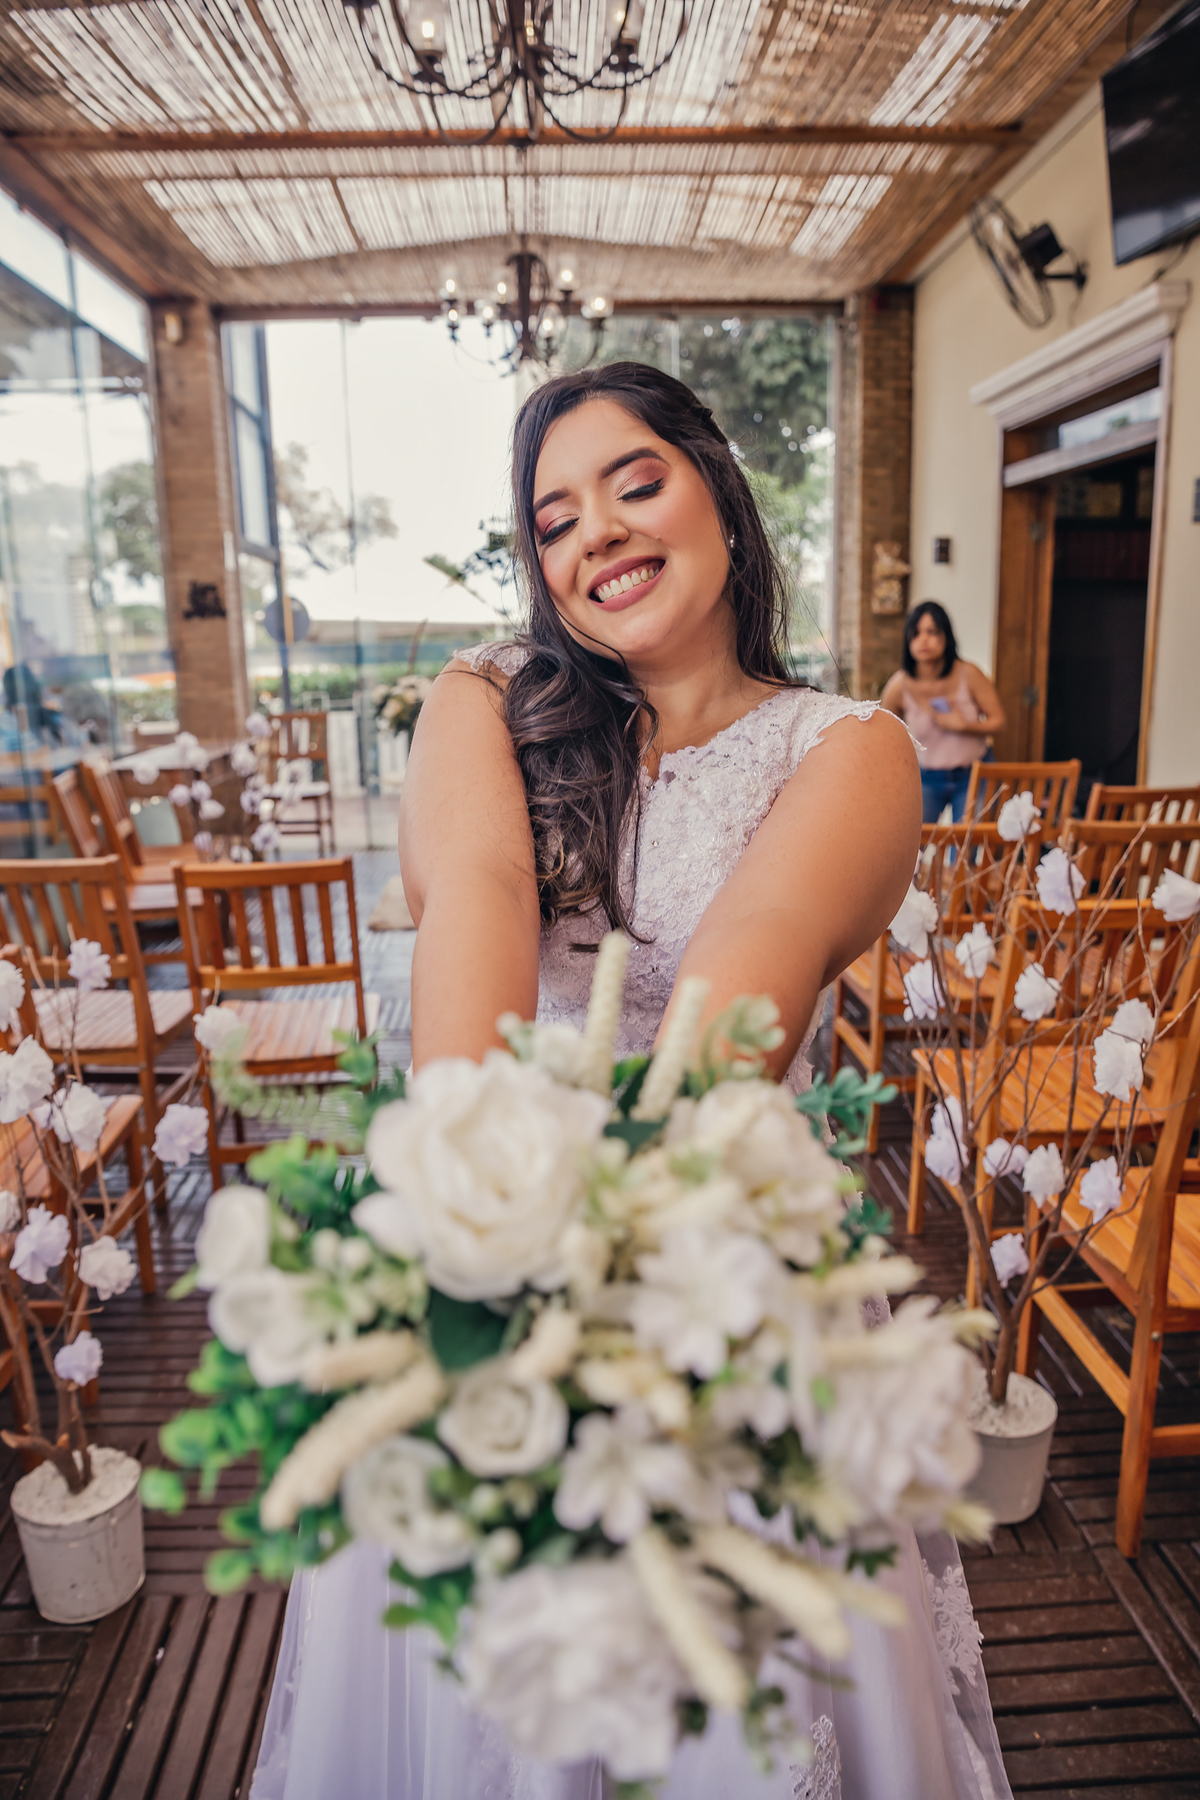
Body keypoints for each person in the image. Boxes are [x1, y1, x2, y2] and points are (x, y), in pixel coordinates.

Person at [252, 366, 1011, 1800]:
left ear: (721, 489)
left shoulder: (847, 749)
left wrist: (613, 1300)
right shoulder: (487, 701)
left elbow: (744, 982)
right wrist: (478, 1271)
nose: (594, 530)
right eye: (552, 518)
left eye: (634, 482)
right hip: (479, 1260)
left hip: (721, 1279)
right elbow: (476, 904)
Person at [881, 603, 1005, 823]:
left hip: (974, 776)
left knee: (967, 851)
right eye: (916, 633)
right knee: (911, 849)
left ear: (946, 637)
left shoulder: (970, 673)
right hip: (925, 778)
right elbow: (883, 735)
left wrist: (964, 726)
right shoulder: (899, 685)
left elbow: (999, 722)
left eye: (932, 632)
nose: (923, 640)